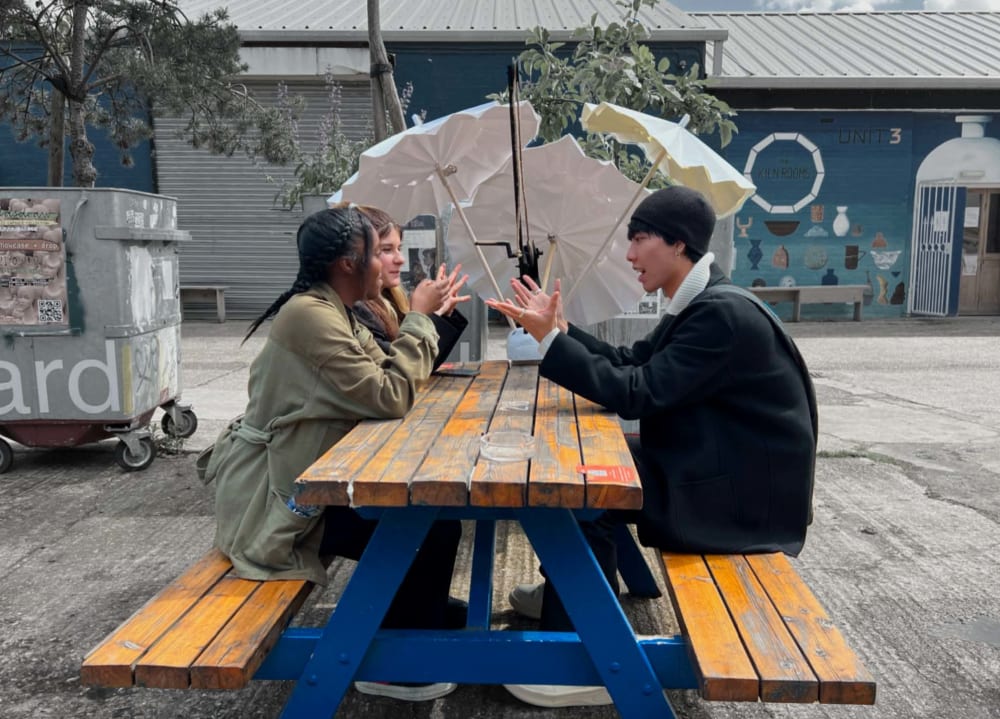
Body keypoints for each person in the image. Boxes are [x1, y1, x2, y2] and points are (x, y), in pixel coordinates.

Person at [486, 186, 818, 709]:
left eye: (639, 239)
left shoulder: (720, 315)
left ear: (679, 244)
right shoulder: (703, 301)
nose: (630, 254)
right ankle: (569, 593)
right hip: (717, 466)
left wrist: (551, 343)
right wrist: (560, 329)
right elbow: (632, 358)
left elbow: (635, 392)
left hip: (735, 501)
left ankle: (580, 662)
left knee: (586, 492)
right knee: (584, 468)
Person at [200, 206, 464, 703]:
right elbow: (390, 394)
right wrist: (419, 319)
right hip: (277, 505)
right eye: (380, 251)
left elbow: (388, 369)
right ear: (348, 262)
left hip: (311, 480)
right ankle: (396, 666)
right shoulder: (310, 316)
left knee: (429, 521)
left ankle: (412, 617)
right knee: (428, 525)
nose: (394, 263)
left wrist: (418, 322)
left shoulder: (333, 309)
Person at [350, 205, 470, 369]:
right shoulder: (356, 308)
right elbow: (401, 370)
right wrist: (420, 314)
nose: (401, 259)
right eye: (386, 250)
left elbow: (425, 364)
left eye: (399, 248)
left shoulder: (391, 299)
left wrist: (440, 312)